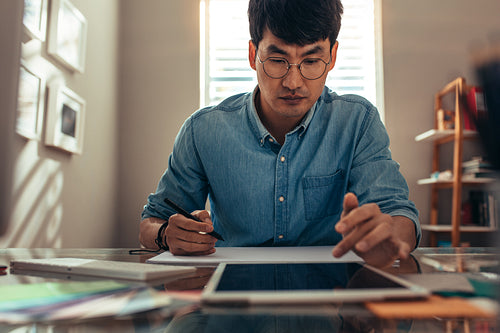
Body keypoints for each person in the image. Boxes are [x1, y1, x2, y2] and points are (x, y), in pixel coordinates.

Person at [140, 0, 420, 268]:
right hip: (232, 301)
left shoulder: (358, 122)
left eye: (311, 61)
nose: (293, 82)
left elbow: (398, 214)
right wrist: (166, 233)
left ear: (332, 57)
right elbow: (151, 222)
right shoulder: (202, 130)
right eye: (277, 59)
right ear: (253, 55)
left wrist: (390, 233)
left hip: (332, 298)